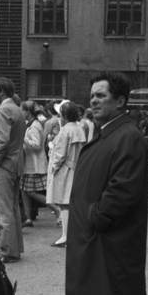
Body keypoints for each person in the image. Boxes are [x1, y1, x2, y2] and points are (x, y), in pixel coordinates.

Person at [66, 71, 148, 295]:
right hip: (100, 239)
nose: (94, 100)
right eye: (93, 95)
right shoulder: (110, 133)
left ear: (120, 101)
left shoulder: (126, 136)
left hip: (107, 241)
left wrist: (96, 216)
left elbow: (123, 190)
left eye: (101, 95)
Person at [0, 78, 26, 262]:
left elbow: (2, 141)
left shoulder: (4, 110)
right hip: (16, 164)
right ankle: (15, 248)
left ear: (1, 92)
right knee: (13, 207)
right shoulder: (17, 109)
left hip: (4, 164)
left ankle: (8, 250)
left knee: (3, 209)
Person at [47, 101, 86, 248]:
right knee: (69, 203)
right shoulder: (78, 128)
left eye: (60, 114)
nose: (59, 117)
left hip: (65, 170)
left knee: (64, 203)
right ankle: (69, 235)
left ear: (65, 116)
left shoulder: (65, 130)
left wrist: (54, 168)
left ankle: (66, 236)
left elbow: (60, 154)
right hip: (75, 168)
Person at [20, 100, 58, 227]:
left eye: (23, 110)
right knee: (24, 191)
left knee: (30, 192)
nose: (21, 112)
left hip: (35, 164)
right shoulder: (31, 124)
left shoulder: (35, 125)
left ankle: (56, 208)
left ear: (28, 112)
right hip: (30, 164)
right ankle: (27, 218)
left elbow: (36, 145)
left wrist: (23, 138)